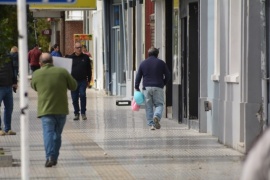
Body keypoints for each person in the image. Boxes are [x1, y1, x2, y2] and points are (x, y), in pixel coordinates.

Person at [31, 53, 77, 167]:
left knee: (48, 134)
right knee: (57, 135)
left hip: (45, 110)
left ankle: (49, 157)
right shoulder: (62, 71)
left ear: (40, 63)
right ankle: (54, 157)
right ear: (52, 61)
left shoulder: (37, 73)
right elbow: (74, 86)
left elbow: (34, 86)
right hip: (61, 109)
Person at [135, 47, 171, 130]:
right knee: (159, 104)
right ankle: (157, 116)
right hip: (158, 86)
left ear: (148, 54)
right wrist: (164, 83)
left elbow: (138, 76)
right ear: (157, 54)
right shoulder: (161, 63)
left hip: (146, 88)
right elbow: (168, 74)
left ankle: (151, 124)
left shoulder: (143, 63)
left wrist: (136, 86)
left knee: (148, 106)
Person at [68, 42, 92, 121]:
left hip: (82, 81)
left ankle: (83, 113)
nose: (79, 49)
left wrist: (88, 80)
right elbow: (67, 71)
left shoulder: (85, 57)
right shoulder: (70, 58)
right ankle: (76, 113)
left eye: (80, 47)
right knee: (74, 98)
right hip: (73, 81)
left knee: (82, 95)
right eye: (77, 48)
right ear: (74, 48)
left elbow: (89, 69)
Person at [0, 53, 18, 135]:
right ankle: (0, 129)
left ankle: (8, 128)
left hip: (8, 85)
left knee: (9, 107)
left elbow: (13, 69)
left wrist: (14, 82)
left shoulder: (8, 56)